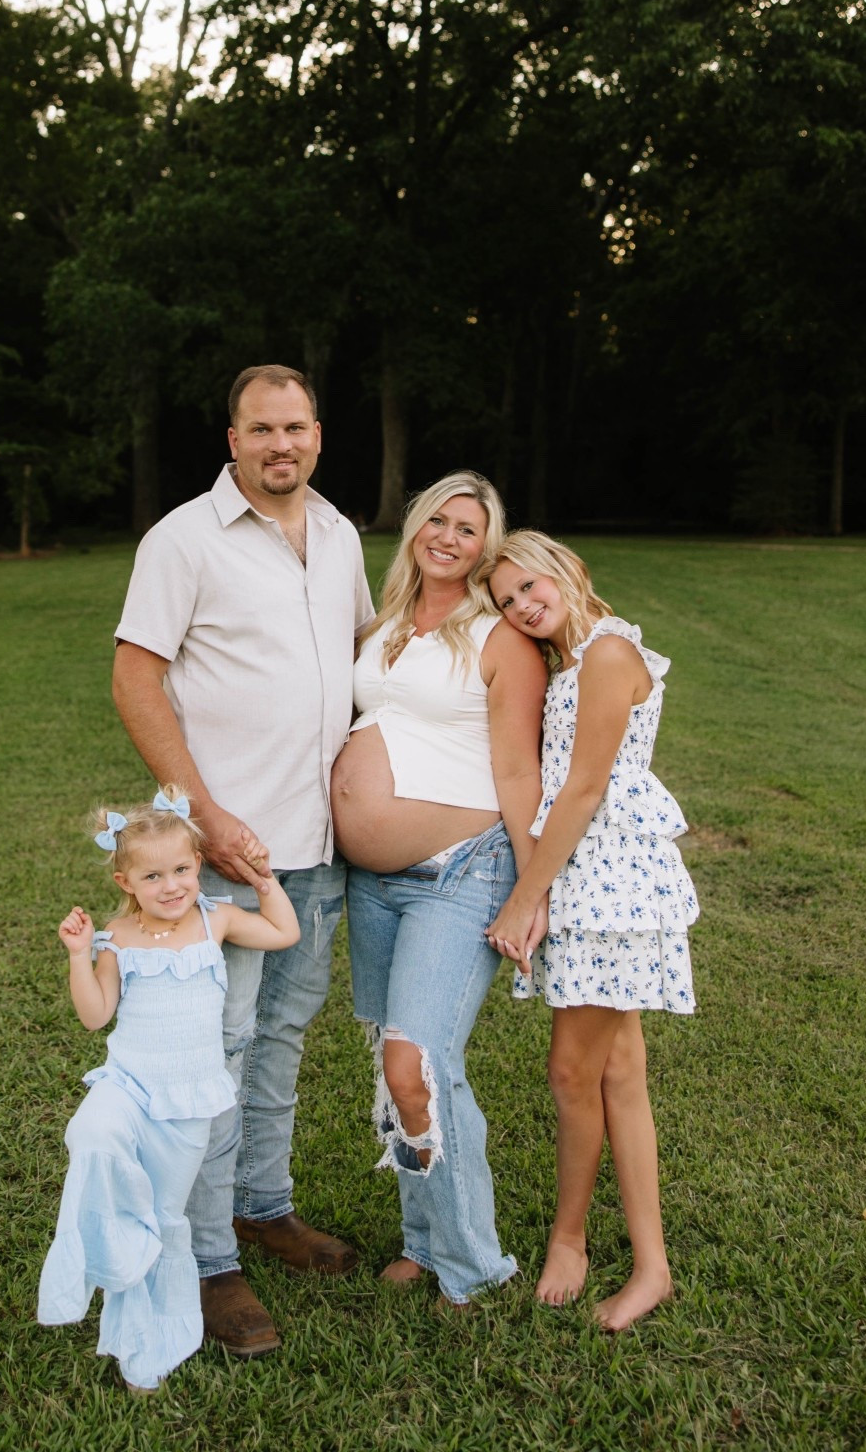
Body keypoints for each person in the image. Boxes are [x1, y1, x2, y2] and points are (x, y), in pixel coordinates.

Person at [112, 365, 374, 1358]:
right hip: (222, 852)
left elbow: (356, 659)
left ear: (317, 433)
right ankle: (207, 1256)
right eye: (260, 428)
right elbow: (135, 677)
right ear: (231, 439)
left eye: (295, 426)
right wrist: (202, 812)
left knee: (280, 1040)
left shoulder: (341, 534)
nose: (280, 444)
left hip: (314, 848)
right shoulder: (182, 539)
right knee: (211, 1054)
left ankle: (265, 1206)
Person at [330, 470, 547, 1308]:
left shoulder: (497, 636)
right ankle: (426, 1240)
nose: (450, 537)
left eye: (470, 529)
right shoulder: (383, 624)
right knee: (404, 1070)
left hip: (464, 871)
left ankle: (473, 1262)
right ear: (418, 524)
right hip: (375, 885)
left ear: (485, 546)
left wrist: (531, 891)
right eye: (440, 520)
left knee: (416, 1061)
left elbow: (518, 768)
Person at [484, 530, 700, 1331]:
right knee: (618, 1076)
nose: (522, 606)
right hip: (586, 874)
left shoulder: (609, 654)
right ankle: (653, 1267)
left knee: (574, 1074)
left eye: (529, 586)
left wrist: (523, 899)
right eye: (507, 601)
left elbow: (583, 789)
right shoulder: (574, 661)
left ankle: (569, 1239)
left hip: (609, 884)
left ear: (567, 569)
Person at [37, 788, 300, 1391]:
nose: (171, 886)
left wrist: (263, 878)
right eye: (152, 875)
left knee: (161, 1217)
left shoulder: (216, 919)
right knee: (91, 1133)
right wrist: (81, 956)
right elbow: (96, 1015)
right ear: (125, 879)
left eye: (181, 869)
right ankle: (98, 1246)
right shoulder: (117, 934)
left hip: (188, 1101)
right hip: (128, 1086)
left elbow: (284, 933)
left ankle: (144, 1340)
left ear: (198, 866)